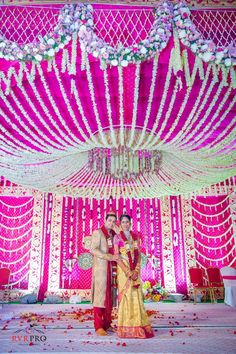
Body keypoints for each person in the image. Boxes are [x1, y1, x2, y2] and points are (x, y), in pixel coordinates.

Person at [113, 214, 154, 339]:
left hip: (135, 271)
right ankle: (125, 328)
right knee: (126, 295)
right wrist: (127, 271)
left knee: (136, 296)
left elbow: (139, 254)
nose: (125, 224)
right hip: (123, 270)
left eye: (127, 222)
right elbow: (116, 256)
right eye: (123, 222)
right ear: (120, 224)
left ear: (130, 223)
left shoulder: (136, 236)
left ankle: (138, 326)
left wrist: (136, 270)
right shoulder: (117, 237)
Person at [90, 211, 120, 336]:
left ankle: (107, 324)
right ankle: (98, 326)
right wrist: (108, 257)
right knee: (100, 299)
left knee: (109, 298)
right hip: (101, 270)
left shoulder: (113, 234)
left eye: (114, 221)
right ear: (105, 220)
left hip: (112, 269)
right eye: (109, 221)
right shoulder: (98, 232)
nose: (111, 223)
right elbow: (93, 249)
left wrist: (118, 231)